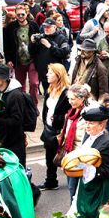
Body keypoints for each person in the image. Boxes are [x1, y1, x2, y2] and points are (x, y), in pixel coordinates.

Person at [0, 64, 37, 168]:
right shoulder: (0, 91)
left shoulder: (15, 96)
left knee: (17, 170)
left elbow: (17, 121)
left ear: (4, 78)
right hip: (5, 138)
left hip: (14, 141)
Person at [39, 64, 71, 192]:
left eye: (50, 73)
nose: (47, 75)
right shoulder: (49, 89)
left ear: (58, 75)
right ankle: (51, 181)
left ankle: (76, 179)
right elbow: (47, 109)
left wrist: (58, 119)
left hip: (60, 131)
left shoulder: (67, 92)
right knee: (49, 157)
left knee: (66, 157)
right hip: (49, 129)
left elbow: (71, 113)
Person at [54, 84, 89, 200]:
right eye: (69, 98)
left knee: (77, 189)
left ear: (82, 98)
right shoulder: (71, 113)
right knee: (72, 189)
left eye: (72, 99)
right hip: (70, 156)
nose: (70, 102)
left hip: (81, 158)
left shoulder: (88, 115)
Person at [2, 4, 38, 98]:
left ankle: (34, 106)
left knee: (34, 83)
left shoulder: (33, 25)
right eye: (18, 14)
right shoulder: (10, 27)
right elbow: (7, 45)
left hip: (32, 59)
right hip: (18, 60)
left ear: (27, 14)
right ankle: (24, 105)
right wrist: (8, 59)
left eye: (22, 14)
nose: (20, 16)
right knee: (20, 86)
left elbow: (39, 42)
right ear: (15, 14)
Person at [29, 18, 70, 99]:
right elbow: (31, 52)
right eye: (44, 27)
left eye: (48, 27)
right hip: (44, 74)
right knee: (47, 95)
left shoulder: (61, 38)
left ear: (54, 27)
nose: (46, 29)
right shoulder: (41, 37)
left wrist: (50, 46)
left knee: (57, 96)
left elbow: (64, 53)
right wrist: (32, 42)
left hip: (56, 74)